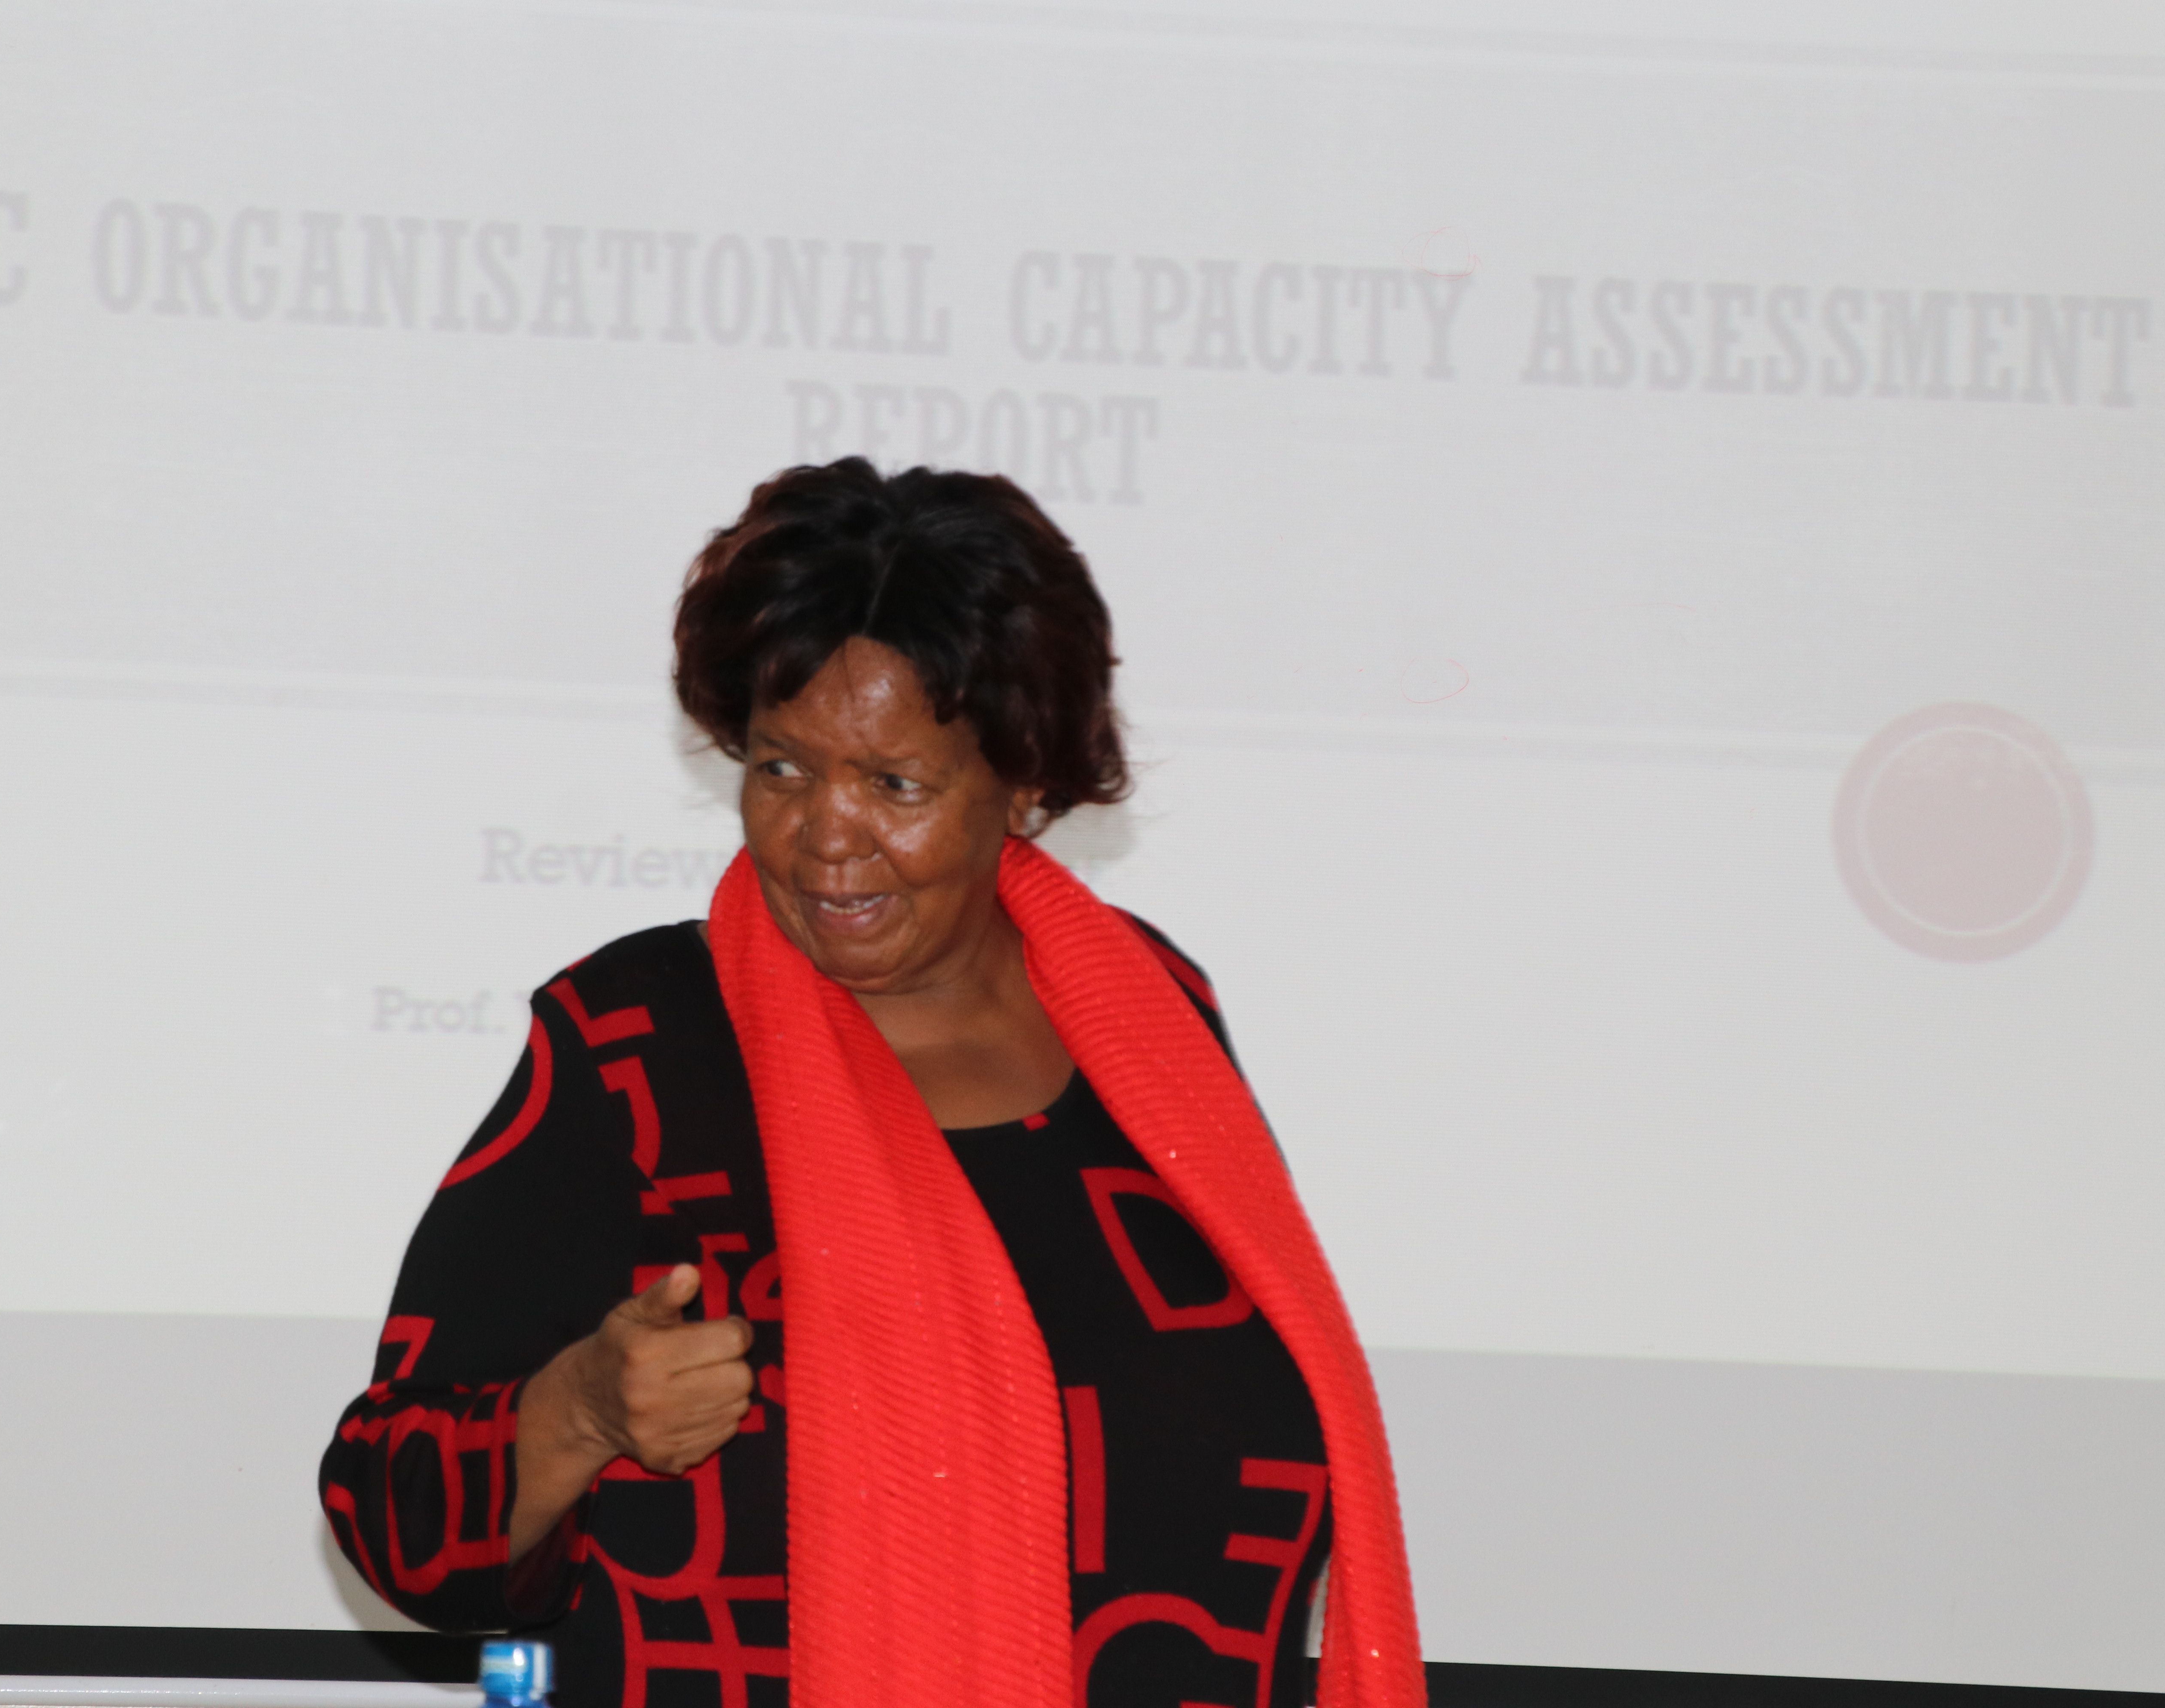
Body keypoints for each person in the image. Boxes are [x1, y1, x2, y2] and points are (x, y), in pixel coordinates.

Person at [321, 460, 1425, 1708]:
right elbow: (389, 1511)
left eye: (894, 784)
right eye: (781, 769)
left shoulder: (1154, 1021)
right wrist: (579, 1413)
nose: (825, 837)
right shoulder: (637, 1042)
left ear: (1027, 782)